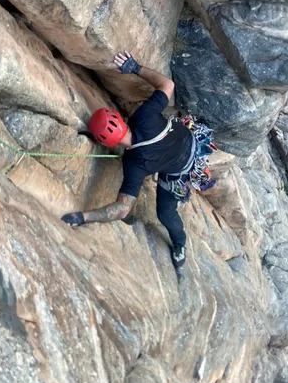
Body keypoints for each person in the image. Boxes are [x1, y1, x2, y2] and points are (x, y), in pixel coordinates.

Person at [61, 51, 195, 273]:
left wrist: (83, 217)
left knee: (165, 214)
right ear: (119, 119)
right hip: (190, 138)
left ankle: (180, 245)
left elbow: (122, 209)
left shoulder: (134, 164)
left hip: (180, 170)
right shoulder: (142, 116)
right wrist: (135, 68)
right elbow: (167, 84)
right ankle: (179, 244)